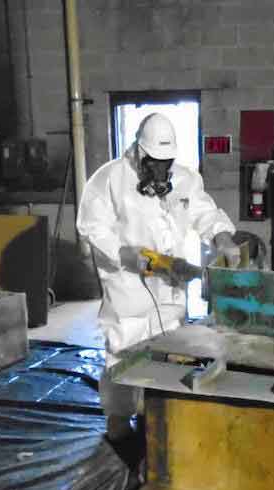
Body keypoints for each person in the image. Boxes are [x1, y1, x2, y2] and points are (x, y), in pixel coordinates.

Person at [77, 112, 239, 425]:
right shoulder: (109, 179)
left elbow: (205, 213)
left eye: (167, 162)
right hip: (128, 289)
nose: (161, 170)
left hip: (170, 288)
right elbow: (92, 227)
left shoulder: (186, 179)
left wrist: (223, 239)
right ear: (139, 152)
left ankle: (160, 424)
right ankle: (119, 423)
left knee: (169, 355)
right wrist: (124, 254)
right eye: (154, 162)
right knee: (123, 355)